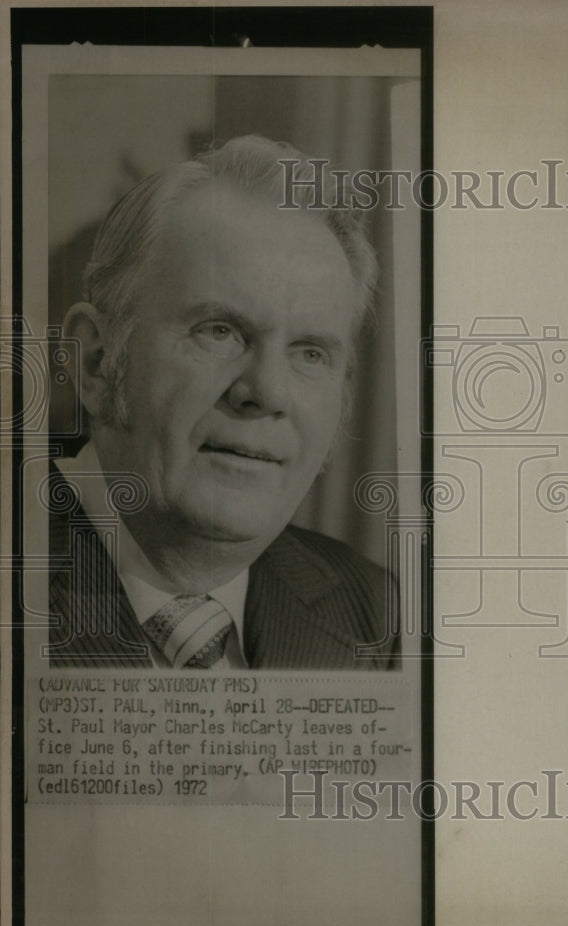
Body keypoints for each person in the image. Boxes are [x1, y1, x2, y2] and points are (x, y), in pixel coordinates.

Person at [48, 135, 397, 670]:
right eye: (220, 331)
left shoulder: (380, 617)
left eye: (310, 353)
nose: (269, 393)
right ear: (96, 361)